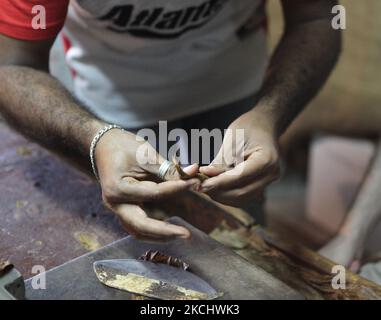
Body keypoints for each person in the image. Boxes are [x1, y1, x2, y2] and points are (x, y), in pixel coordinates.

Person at [0, 0, 341, 241]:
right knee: (125, 251)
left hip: (238, 104)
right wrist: (95, 138)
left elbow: (317, 18)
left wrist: (269, 115)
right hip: (102, 113)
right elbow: (13, 66)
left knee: (240, 243)